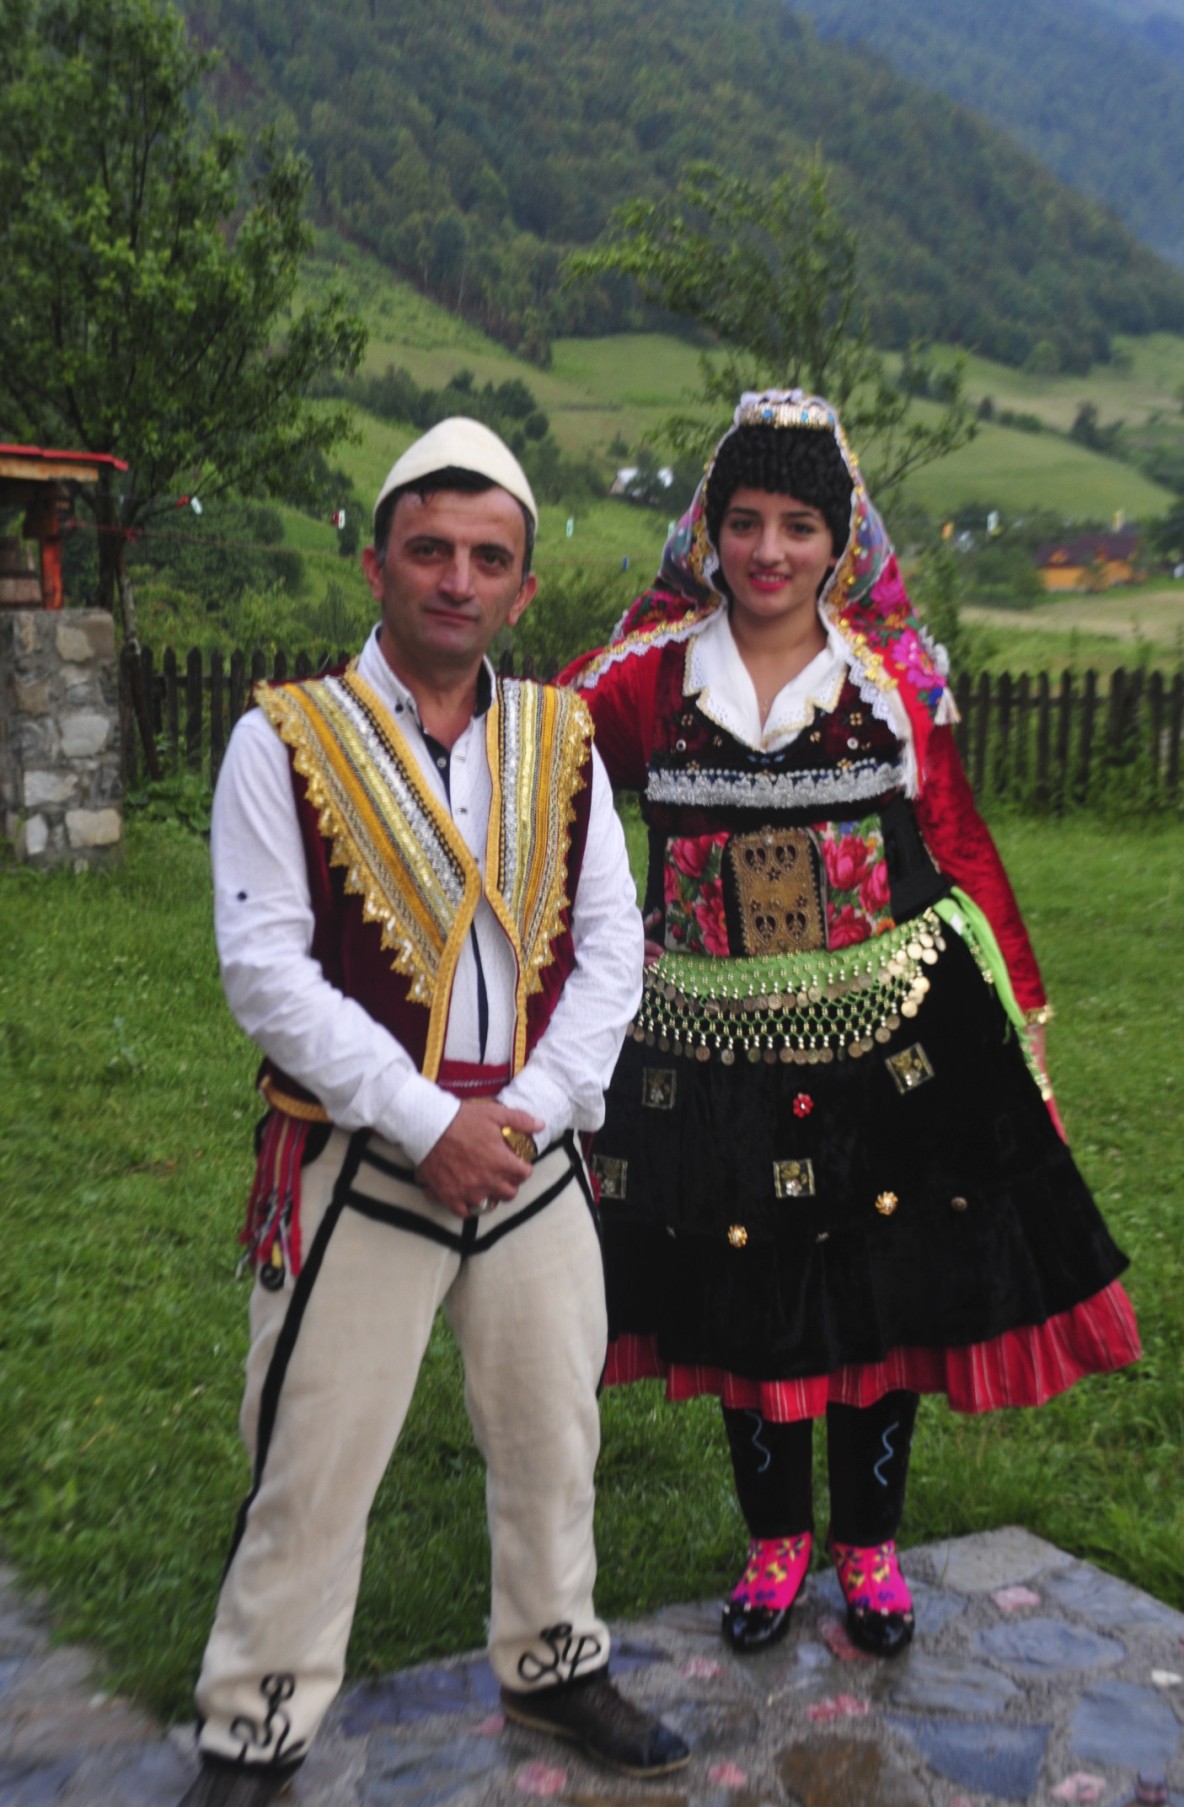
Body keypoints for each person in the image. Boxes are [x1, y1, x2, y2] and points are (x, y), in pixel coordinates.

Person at [561, 389, 1140, 1662]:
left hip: (889, 1036)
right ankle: (775, 1541)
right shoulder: (642, 682)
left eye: (799, 526)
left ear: (843, 539)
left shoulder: (894, 682)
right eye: (745, 522)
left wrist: (1025, 1016)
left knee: (879, 1288)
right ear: (707, 532)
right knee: (744, 1282)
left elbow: (959, 844)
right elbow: (539, 793)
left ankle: (867, 1544)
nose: (769, 552)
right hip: (706, 1044)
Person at [178, 418, 688, 1807]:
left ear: (523, 588)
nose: (457, 580)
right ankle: (257, 1722)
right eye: (429, 550)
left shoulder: (562, 738)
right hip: (360, 1159)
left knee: (553, 1434)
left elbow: (613, 947)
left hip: (529, 1155)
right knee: (312, 1453)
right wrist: (426, 1119)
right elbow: (266, 969)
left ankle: (555, 1660)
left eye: (488, 558)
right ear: (377, 564)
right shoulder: (283, 738)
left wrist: (526, 1111)